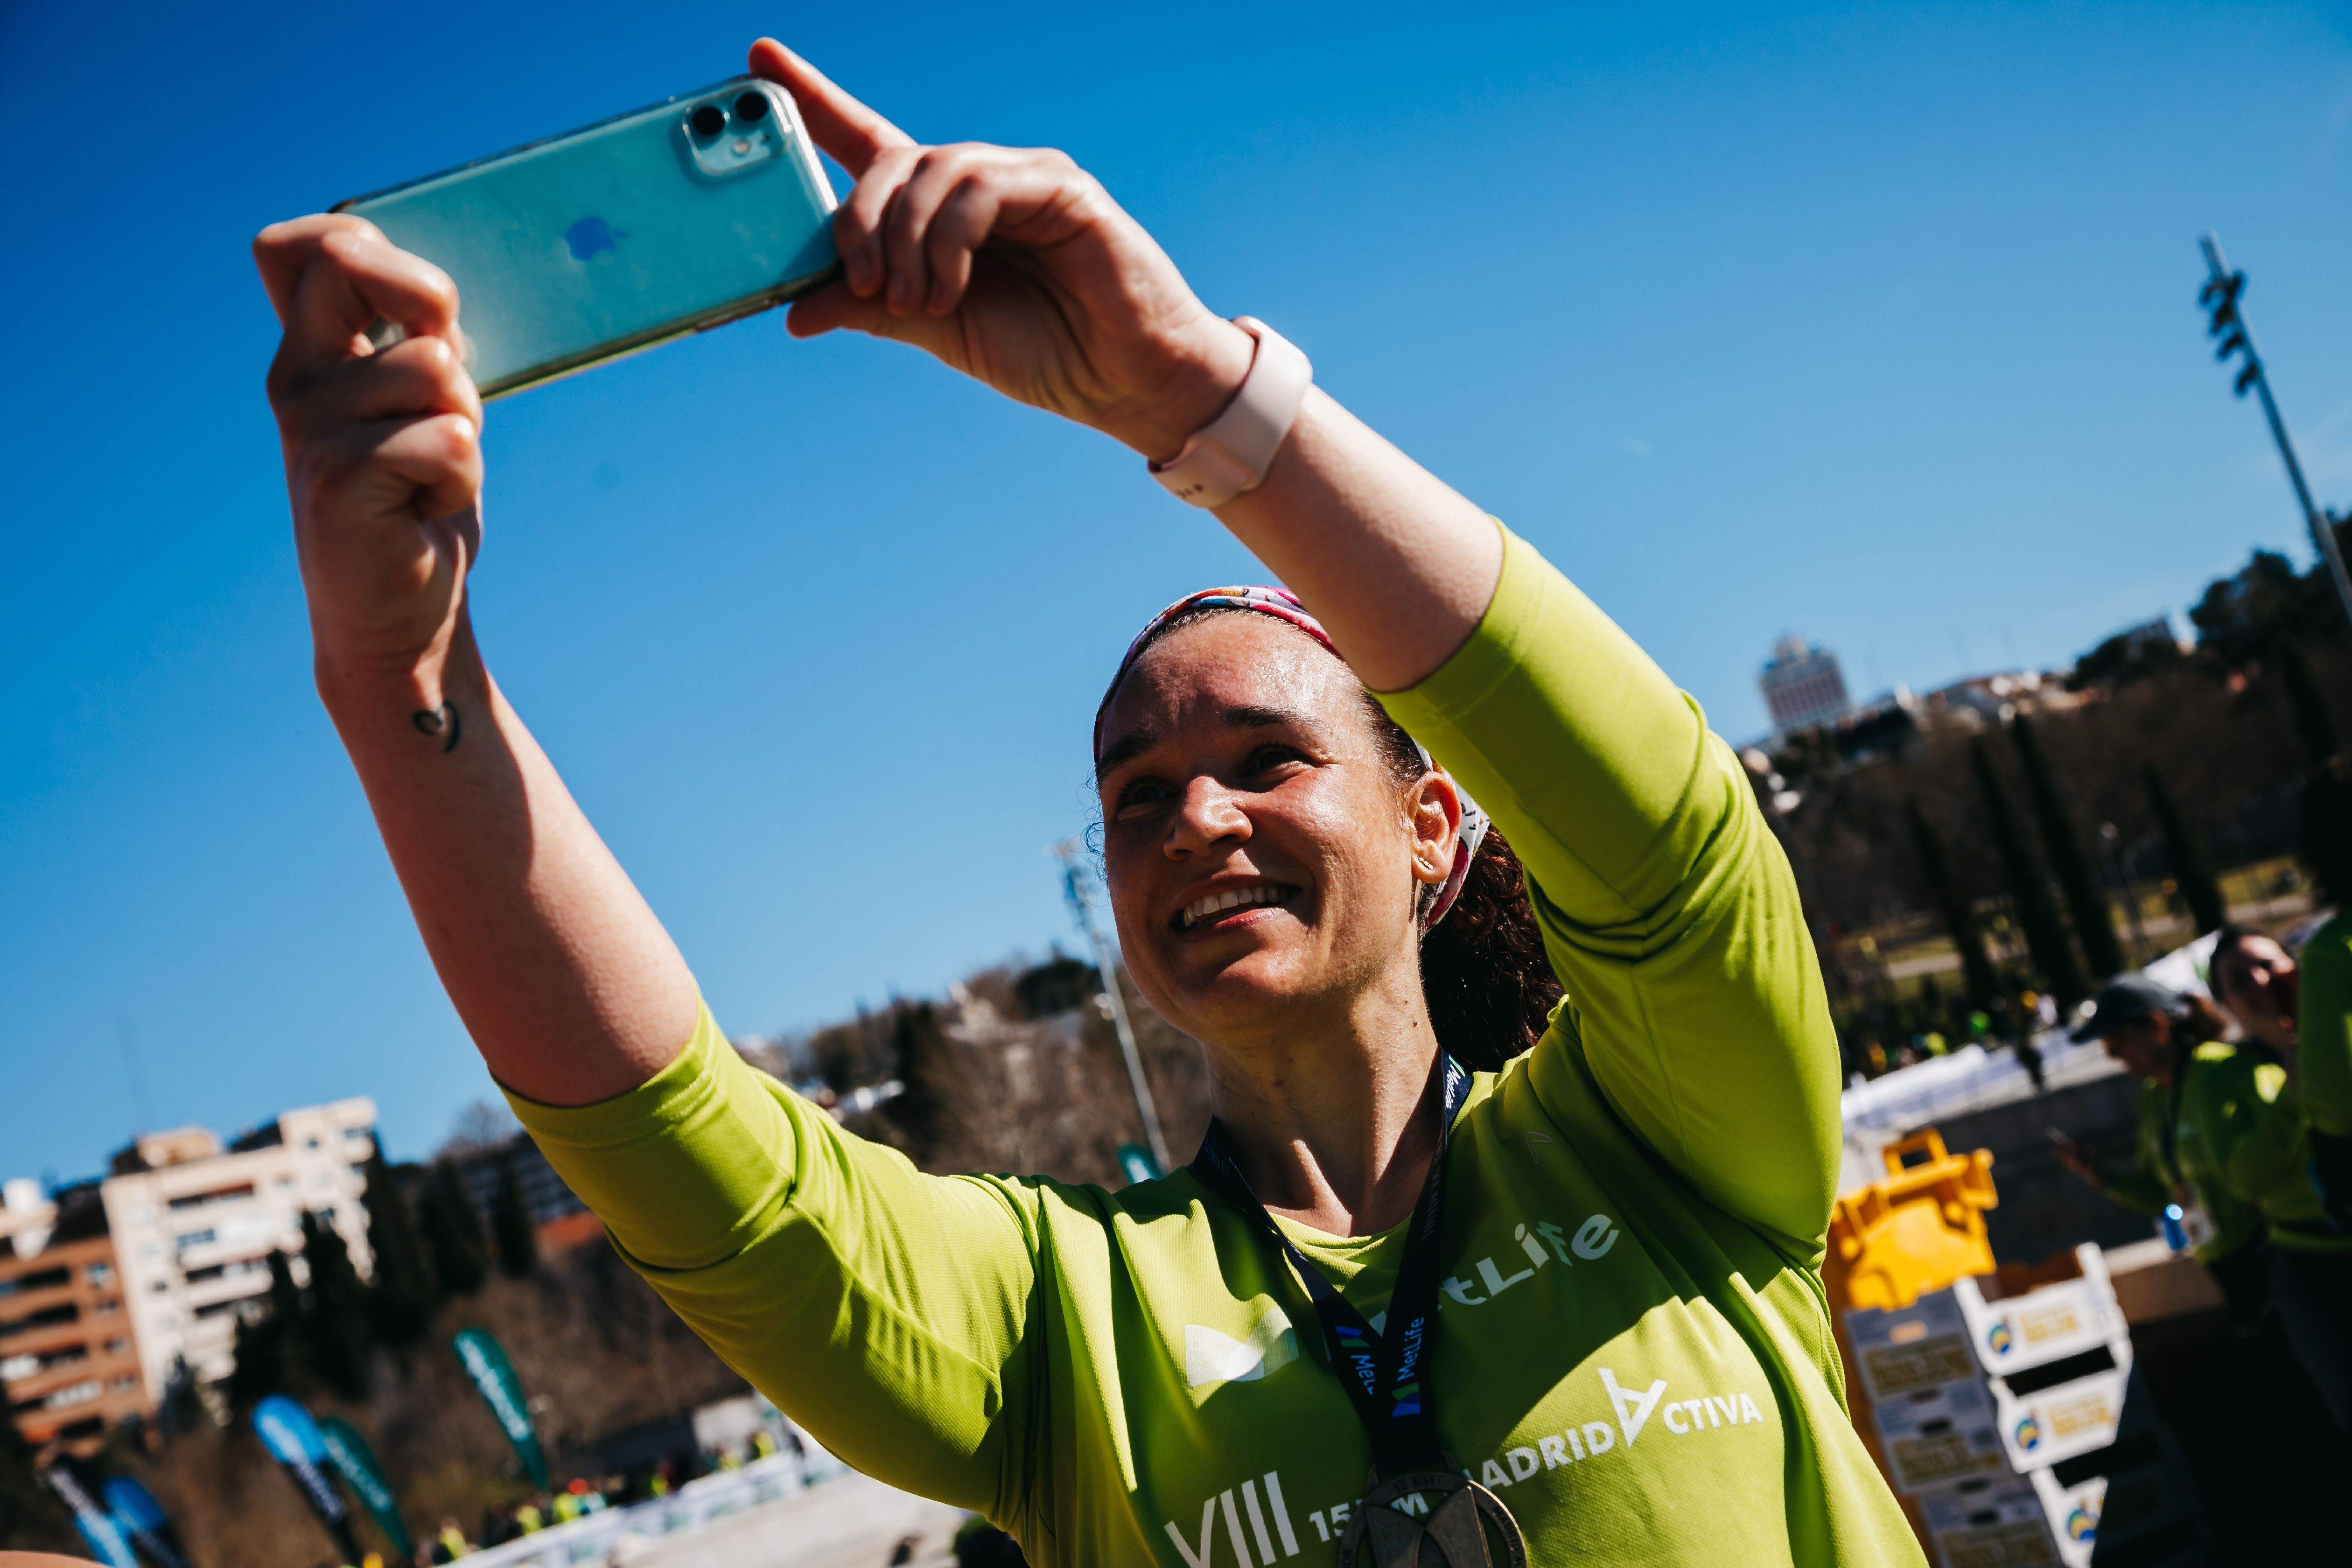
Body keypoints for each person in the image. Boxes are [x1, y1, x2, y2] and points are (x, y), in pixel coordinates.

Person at [252, 38, 1919, 1565]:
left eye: (1265, 758)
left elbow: (1671, 839)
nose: (1193, 818)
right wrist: (400, 674)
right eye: (1136, 794)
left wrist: (1197, 394)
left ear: (1433, 825)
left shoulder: (1661, 1136)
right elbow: (686, 1151)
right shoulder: (1062, 1324)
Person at [2052, 976, 2268, 1323]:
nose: (2113, 1056)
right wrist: (2100, 1175)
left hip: (2267, 1249)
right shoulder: (2154, 1096)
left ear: (2156, 1025)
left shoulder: (2218, 1068)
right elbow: (2162, 1194)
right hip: (2221, 1258)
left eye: (2117, 1041)